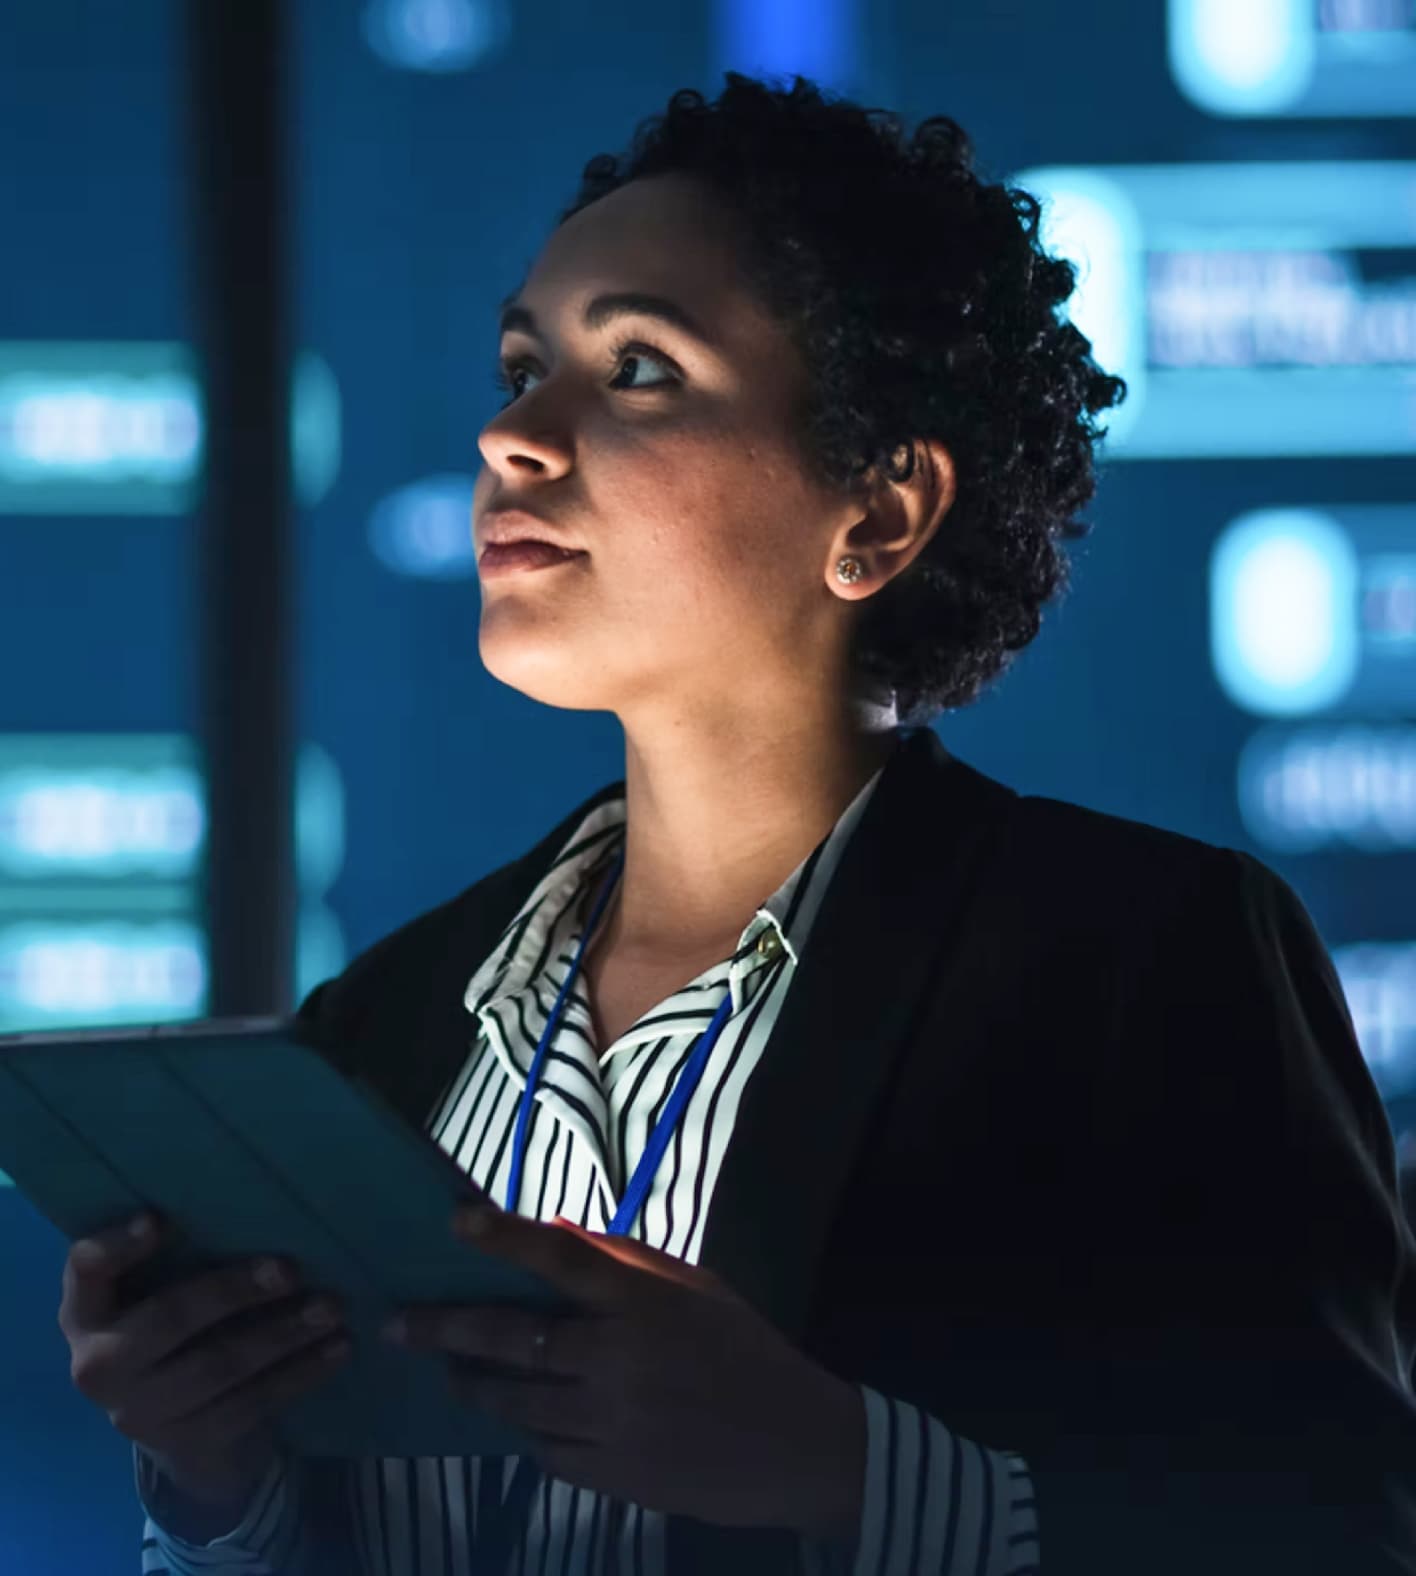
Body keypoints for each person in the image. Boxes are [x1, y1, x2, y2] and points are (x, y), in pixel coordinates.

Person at [58, 74, 1415, 1576]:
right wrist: (216, 1487)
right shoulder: (372, 1030)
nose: (514, 435)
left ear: (878, 514)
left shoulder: (1143, 963)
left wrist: (846, 1470)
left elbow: (1337, 1536)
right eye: (521, 367)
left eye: (639, 368)